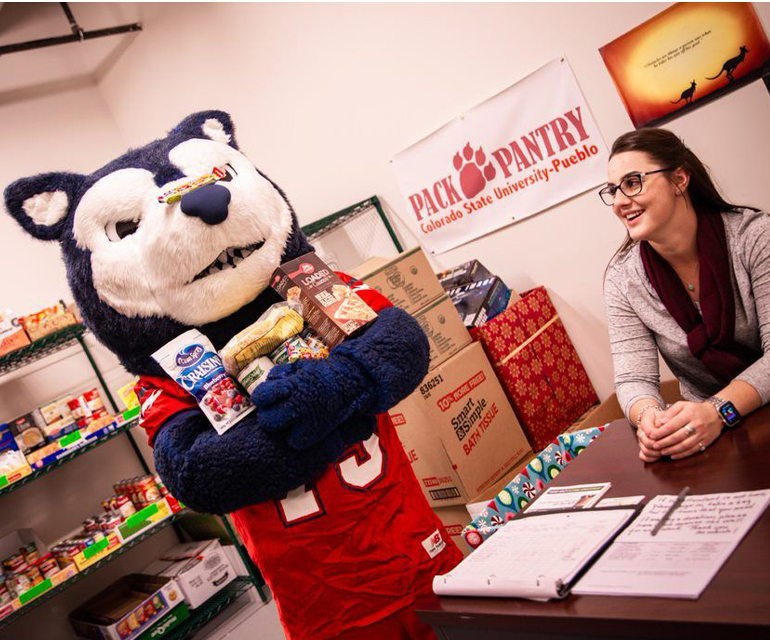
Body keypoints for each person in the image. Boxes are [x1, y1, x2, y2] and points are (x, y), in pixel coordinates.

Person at [601, 128, 769, 462]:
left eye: (633, 182)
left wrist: (719, 411)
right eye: (612, 190)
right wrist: (651, 420)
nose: (620, 201)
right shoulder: (622, 278)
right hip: (705, 433)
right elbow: (633, 378)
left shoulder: (754, 237)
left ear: (679, 179)